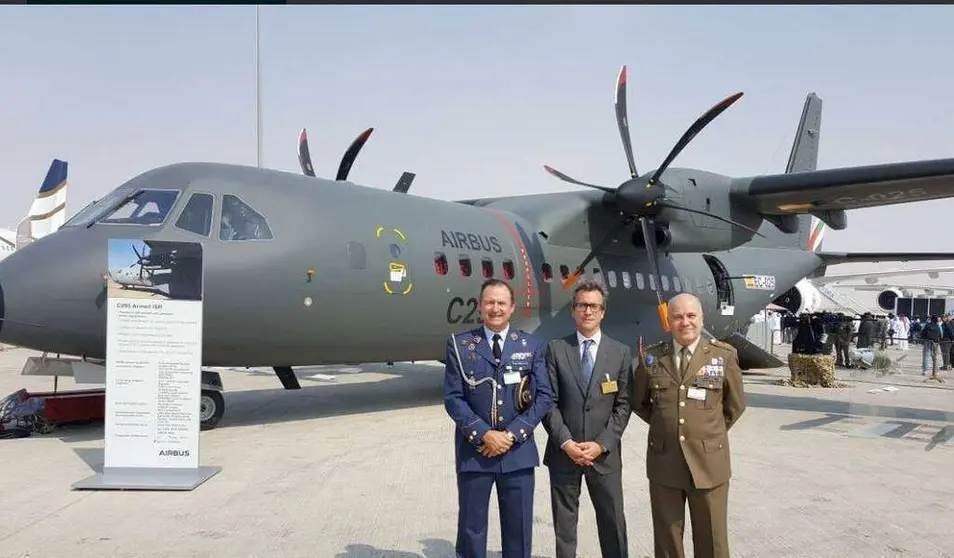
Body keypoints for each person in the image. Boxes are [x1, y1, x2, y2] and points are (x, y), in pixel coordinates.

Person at [443, 278, 554, 558]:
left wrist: (511, 434)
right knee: (471, 528)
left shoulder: (531, 345)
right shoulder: (460, 345)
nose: (495, 308)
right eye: (489, 302)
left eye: (501, 303)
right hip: (475, 452)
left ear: (512, 307)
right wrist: (484, 434)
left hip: (517, 452)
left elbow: (543, 397)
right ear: (480, 306)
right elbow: (453, 398)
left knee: (518, 529)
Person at [631, 292, 746, 558]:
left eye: (691, 316)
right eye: (678, 317)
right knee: (667, 539)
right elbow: (640, 403)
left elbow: (735, 405)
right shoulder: (651, 358)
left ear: (701, 318)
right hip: (665, 462)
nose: (685, 322)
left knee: (712, 540)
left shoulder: (723, 355)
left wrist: (707, 430)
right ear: (668, 321)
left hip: (709, 463)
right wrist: (666, 426)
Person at [541, 281, 633, 558]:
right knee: (564, 527)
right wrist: (567, 442)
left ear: (603, 312)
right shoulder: (556, 350)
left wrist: (602, 444)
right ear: (573, 310)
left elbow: (624, 405)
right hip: (564, 454)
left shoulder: (620, 353)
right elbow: (548, 403)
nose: (587, 311)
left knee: (613, 523)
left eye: (593, 306)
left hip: (604, 457)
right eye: (582, 305)